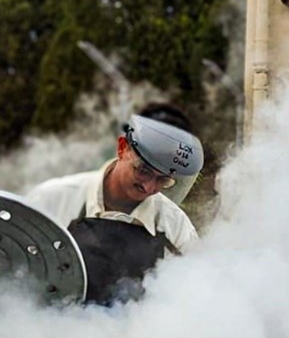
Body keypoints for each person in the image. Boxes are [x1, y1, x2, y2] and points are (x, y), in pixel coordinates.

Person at [25, 114, 204, 305]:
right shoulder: (53, 199)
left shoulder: (175, 226)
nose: (149, 187)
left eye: (163, 180)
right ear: (122, 148)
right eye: (143, 171)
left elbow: (193, 296)